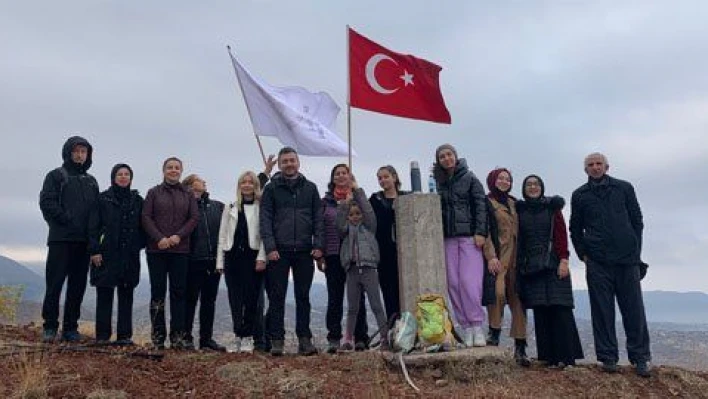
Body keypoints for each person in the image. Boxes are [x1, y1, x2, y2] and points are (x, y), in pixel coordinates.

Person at [569, 152, 650, 377]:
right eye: (590, 165)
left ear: (607, 167)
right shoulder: (580, 195)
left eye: (599, 164)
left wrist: (635, 250)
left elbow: (637, 220)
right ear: (586, 170)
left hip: (627, 260)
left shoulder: (624, 188)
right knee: (602, 311)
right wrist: (583, 254)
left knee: (634, 310)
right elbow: (575, 228)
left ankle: (640, 357)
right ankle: (608, 357)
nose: (595, 168)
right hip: (598, 262)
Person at [259, 147, 324, 356]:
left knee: (303, 297)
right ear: (279, 165)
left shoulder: (311, 188)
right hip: (279, 251)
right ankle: (277, 340)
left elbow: (318, 219)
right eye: (284, 161)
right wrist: (270, 247)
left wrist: (318, 245)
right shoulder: (271, 189)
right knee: (277, 297)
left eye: (292, 160)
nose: (289, 164)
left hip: (305, 251)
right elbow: (265, 219)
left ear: (298, 163)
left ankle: (304, 340)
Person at [516, 175, 583, 368]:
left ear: (542, 187)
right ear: (524, 189)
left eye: (536, 184)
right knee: (541, 310)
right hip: (532, 267)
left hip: (554, 263)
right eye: (528, 185)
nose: (532, 187)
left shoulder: (552, 208)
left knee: (560, 309)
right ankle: (549, 358)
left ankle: (567, 357)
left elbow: (561, 234)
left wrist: (564, 259)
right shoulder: (520, 211)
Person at [39, 136, 99, 343]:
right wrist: (67, 220)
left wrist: (94, 237)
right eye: (76, 151)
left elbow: (96, 213)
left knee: (77, 286)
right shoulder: (56, 176)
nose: (80, 155)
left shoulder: (91, 181)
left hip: (83, 243)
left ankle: (70, 328)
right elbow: (47, 203)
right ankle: (49, 326)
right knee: (54, 284)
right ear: (68, 152)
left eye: (84, 151)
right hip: (60, 240)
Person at [142, 157, 199, 350]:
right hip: (156, 250)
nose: (173, 171)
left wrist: (177, 236)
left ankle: (178, 336)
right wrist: (159, 238)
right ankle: (158, 337)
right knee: (157, 293)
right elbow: (146, 217)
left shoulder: (188, 194)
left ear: (181, 171)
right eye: (169, 167)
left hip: (180, 251)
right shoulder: (153, 193)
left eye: (177, 168)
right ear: (163, 170)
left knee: (178, 293)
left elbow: (193, 218)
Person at [433, 144, 487, 348]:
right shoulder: (438, 181)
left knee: (469, 283)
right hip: (447, 238)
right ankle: (465, 326)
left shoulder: (470, 178)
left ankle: (477, 325)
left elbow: (481, 206)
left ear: (456, 156)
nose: (446, 159)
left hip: (468, 238)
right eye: (442, 156)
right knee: (453, 283)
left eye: (449, 155)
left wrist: (481, 232)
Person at [88, 164, 144, 346]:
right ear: (113, 177)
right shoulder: (103, 199)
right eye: (119, 174)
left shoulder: (137, 200)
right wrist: (95, 250)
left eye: (127, 174)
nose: (123, 177)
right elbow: (93, 226)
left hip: (129, 255)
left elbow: (144, 227)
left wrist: (137, 245)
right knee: (104, 295)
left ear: (131, 178)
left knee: (126, 295)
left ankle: (124, 336)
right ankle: (103, 336)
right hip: (106, 254)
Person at [216, 171, 266, 353]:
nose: (246, 185)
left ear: (255, 185)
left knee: (252, 299)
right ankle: (239, 334)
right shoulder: (230, 207)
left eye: (250, 182)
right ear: (239, 186)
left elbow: (264, 236)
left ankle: (248, 337)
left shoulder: (262, 207)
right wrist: (220, 262)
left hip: (253, 258)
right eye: (243, 182)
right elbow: (222, 235)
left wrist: (262, 257)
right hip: (232, 258)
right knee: (235, 299)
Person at [483, 167, 530, 366]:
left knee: (519, 301)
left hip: (517, 261)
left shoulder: (515, 203)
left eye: (507, 179)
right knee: (498, 294)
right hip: (499, 258)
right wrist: (490, 256)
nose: (504, 181)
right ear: (493, 180)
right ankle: (494, 334)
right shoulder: (487, 203)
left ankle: (520, 348)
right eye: (500, 178)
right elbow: (484, 230)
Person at [320, 164, 368, 354]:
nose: (341, 176)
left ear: (350, 176)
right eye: (337, 174)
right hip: (333, 254)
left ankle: (360, 337)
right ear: (332, 179)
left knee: (357, 297)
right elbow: (320, 228)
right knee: (335, 297)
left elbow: (369, 218)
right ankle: (334, 338)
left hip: (356, 253)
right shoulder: (325, 202)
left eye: (344, 173)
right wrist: (320, 252)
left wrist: (356, 193)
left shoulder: (358, 199)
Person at [336, 191, 389, 351]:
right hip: (352, 270)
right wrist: (345, 204)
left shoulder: (369, 228)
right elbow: (339, 222)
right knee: (352, 307)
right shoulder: (345, 232)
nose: (355, 217)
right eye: (351, 214)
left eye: (358, 214)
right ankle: (347, 340)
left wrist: (358, 192)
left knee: (376, 305)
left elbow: (369, 211)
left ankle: (385, 337)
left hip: (369, 269)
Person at [182, 174, 225, 351]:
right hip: (191, 260)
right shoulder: (184, 207)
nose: (202, 184)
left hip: (213, 261)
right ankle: (186, 338)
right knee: (189, 300)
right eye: (197, 182)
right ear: (188, 187)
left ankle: (206, 339)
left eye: (202, 182)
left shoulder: (217, 206)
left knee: (209, 301)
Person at [369, 165, 408, 320]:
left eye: (386, 176)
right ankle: (393, 326)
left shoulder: (407, 197)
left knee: (405, 289)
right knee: (388, 289)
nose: (382, 180)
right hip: (384, 251)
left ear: (394, 177)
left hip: (405, 251)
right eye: (380, 178)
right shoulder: (375, 199)